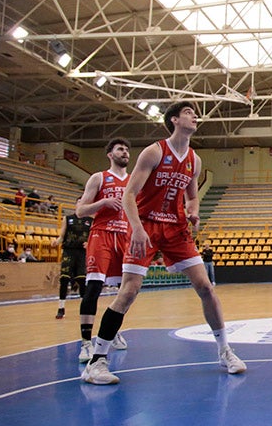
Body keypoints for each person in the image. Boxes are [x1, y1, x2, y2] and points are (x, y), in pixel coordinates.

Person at [82, 103, 246, 385]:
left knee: (205, 287)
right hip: (145, 224)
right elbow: (129, 195)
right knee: (129, 292)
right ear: (174, 119)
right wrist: (136, 229)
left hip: (176, 228)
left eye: (196, 113)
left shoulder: (195, 160)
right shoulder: (154, 151)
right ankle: (97, 361)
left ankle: (224, 351)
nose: (195, 116)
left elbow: (192, 196)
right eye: (189, 112)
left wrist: (193, 211)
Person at [74, 138, 132, 363]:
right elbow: (80, 211)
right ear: (110, 154)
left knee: (125, 291)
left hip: (125, 236)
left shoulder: (133, 181)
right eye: (120, 149)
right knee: (94, 288)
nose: (125, 152)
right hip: (102, 235)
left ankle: (111, 330)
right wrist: (103, 203)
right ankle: (86, 342)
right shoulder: (99, 178)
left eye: (127, 149)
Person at [52, 198, 92, 320]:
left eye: (83, 202)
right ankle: (61, 307)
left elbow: (93, 237)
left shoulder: (90, 221)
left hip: (82, 253)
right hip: (69, 251)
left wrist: (90, 243)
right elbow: (62, 236)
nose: (81, 204)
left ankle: (83, 307)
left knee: (81, 280)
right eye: (79, 202)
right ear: (76, 204)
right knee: (64, 279)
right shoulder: (68, 218)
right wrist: (57, 241)